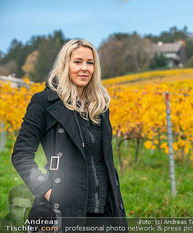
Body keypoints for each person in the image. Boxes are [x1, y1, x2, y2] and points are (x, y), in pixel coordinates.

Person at [11, 39, 127, 231]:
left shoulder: (100, 106)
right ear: (65, 65)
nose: (85, 68)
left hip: (106, 210)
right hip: (64, 209)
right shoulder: (44, 103)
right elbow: (21, 155)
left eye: (90, 63)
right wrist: (46, 191)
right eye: (78, 62)